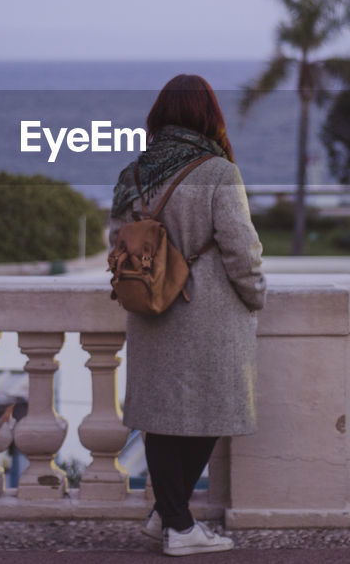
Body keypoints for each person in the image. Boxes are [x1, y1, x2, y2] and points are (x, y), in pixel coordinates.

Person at [107, 74, 266, 557]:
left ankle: (165, 517)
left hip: (149, 306)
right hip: (209, 309)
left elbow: (119, 241)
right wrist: (255, 293)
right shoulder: (219, 172)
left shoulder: (133, 173)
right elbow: (242, 249)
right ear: (207, 116)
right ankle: (179, 526)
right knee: (213, 409)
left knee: (162, 417)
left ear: (161, 116)